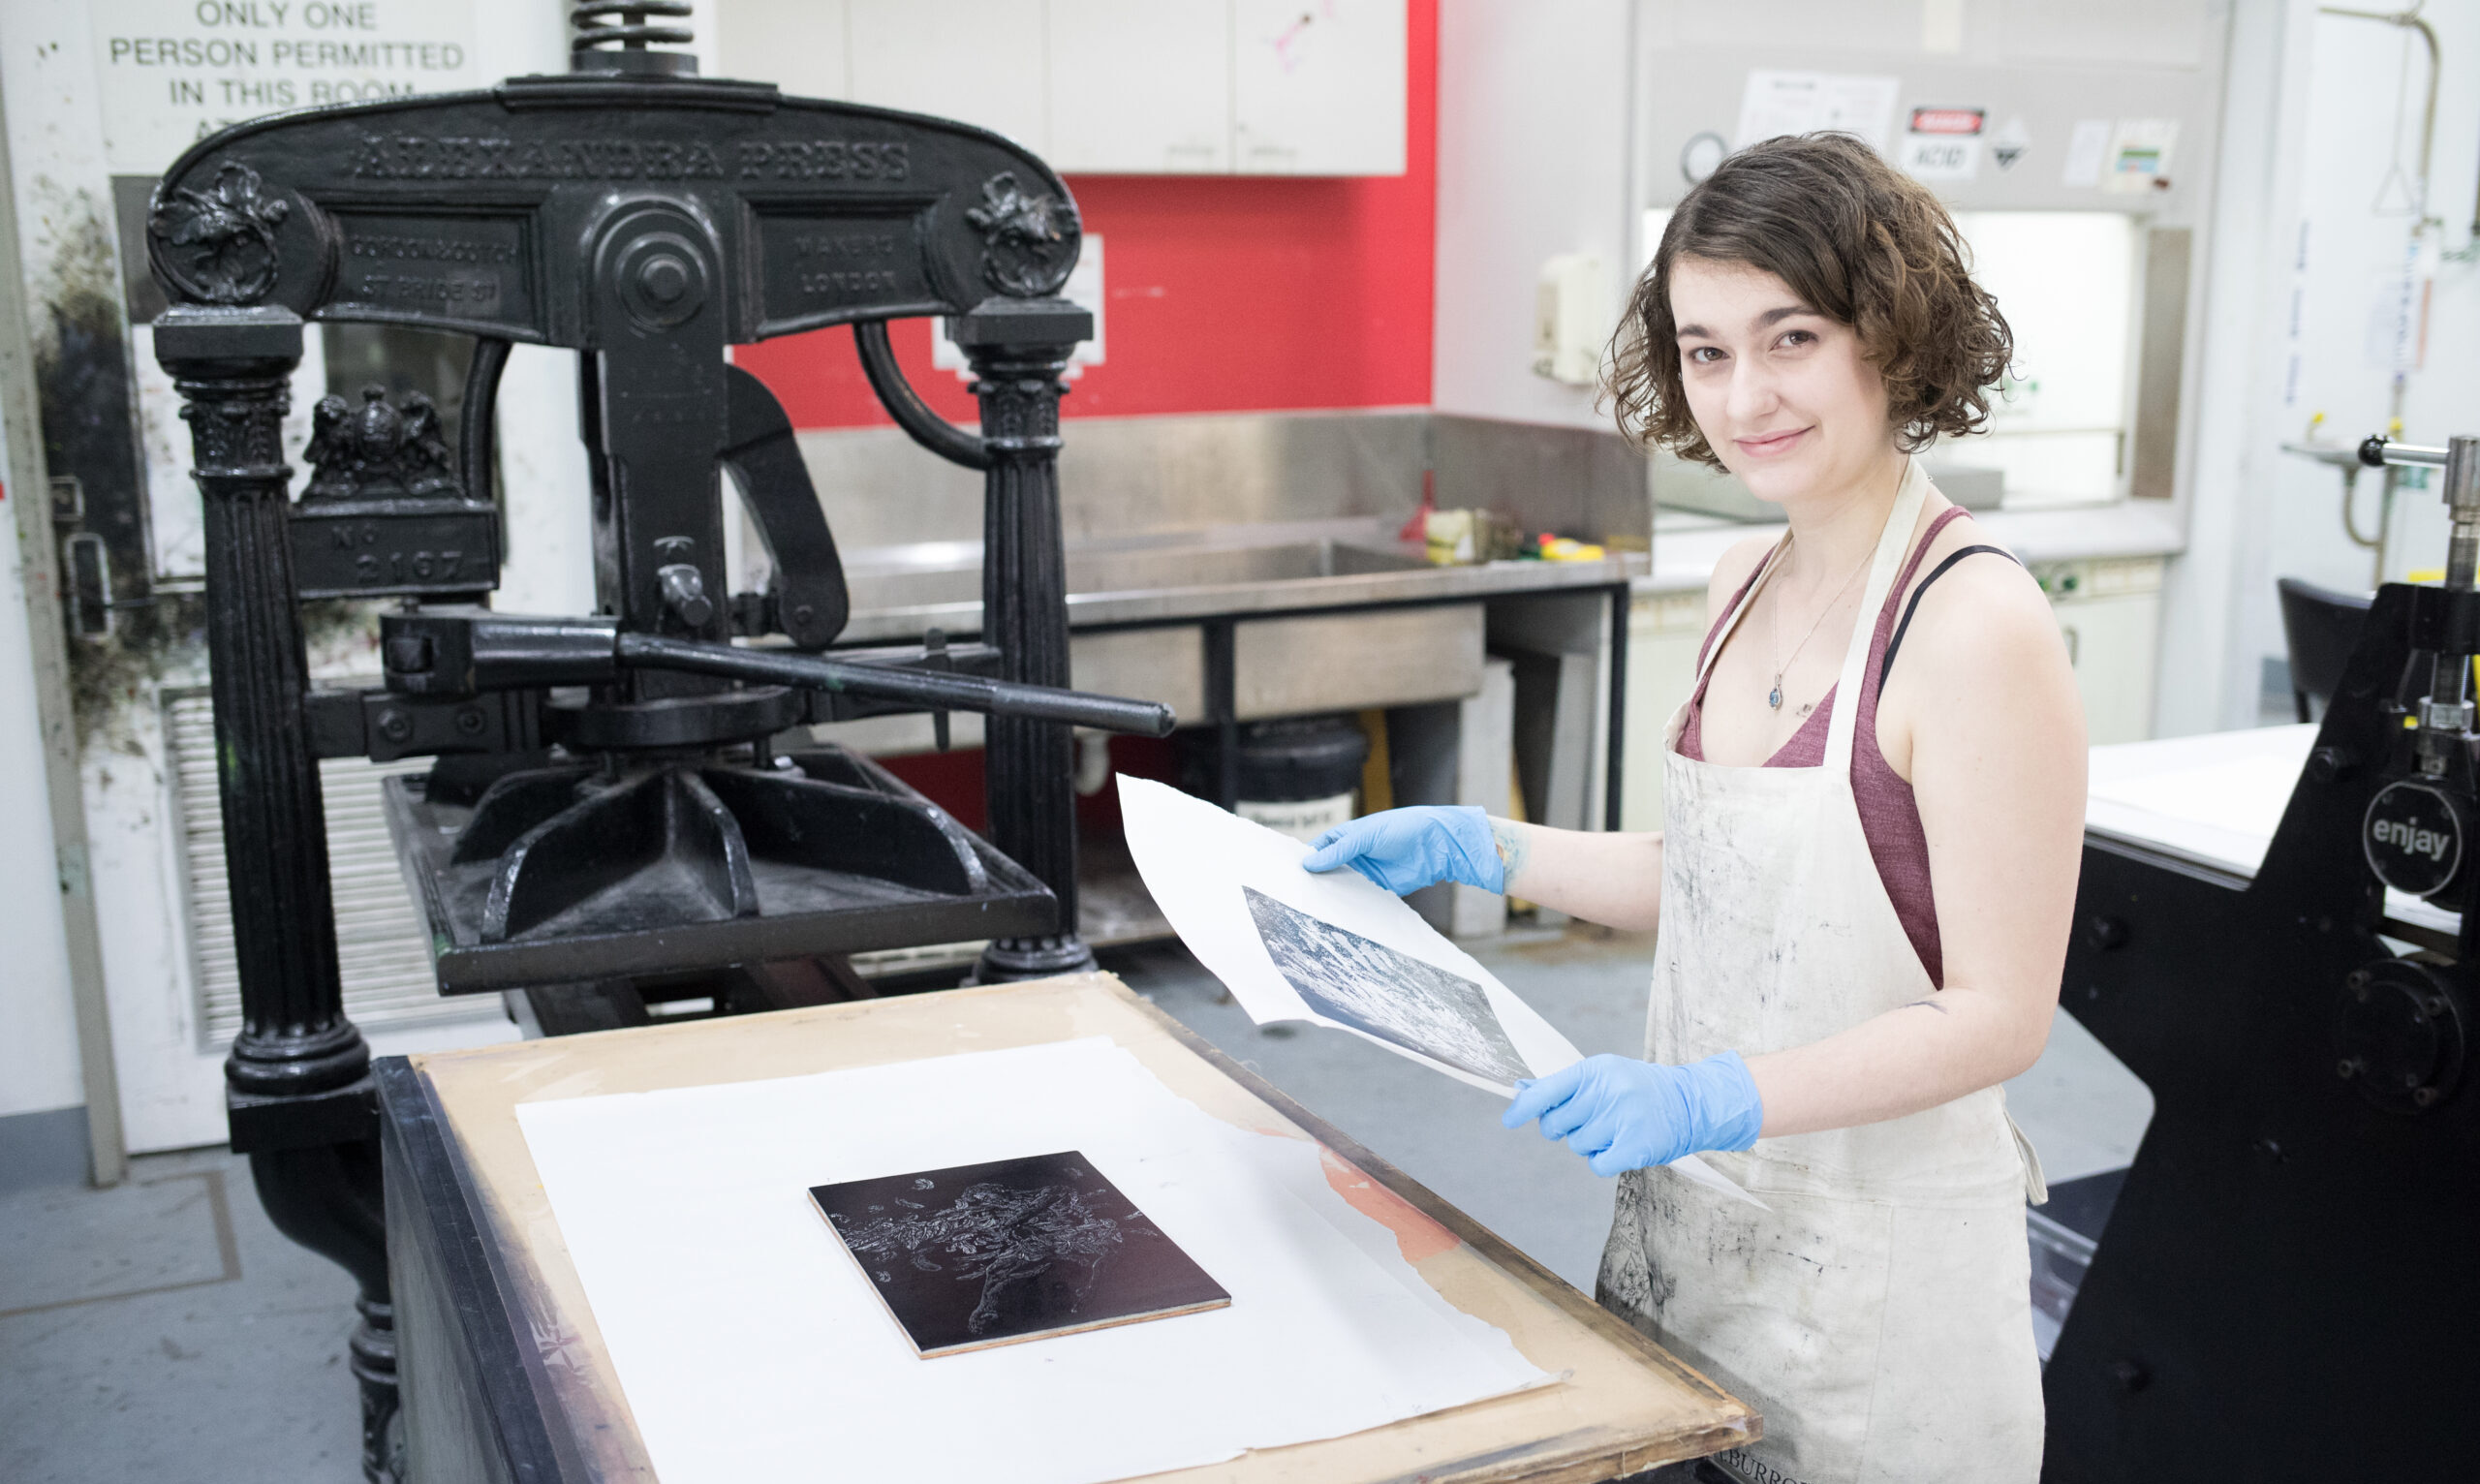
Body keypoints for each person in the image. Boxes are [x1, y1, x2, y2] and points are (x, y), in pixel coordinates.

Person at [1303, 132, 2085, 1484]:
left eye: (1790, 338)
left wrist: (1714, 1096)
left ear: (1890, 337)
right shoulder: (1742, 580)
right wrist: (1483, 846)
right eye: (1706, 349)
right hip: (1693, 1250)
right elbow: (1725, 875)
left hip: (1880, 1310)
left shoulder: (1973, 624)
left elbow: (1999, 1016)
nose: (1744, 396)